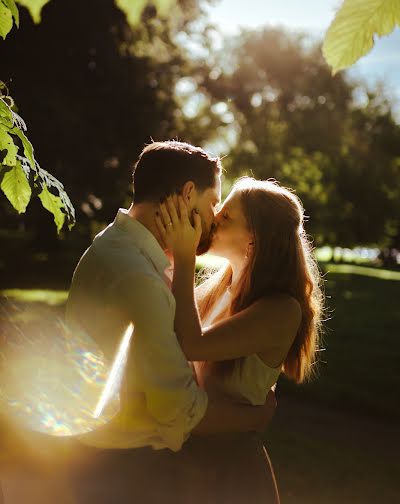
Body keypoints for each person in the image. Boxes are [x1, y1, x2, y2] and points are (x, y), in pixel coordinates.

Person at [61, 142, 277, 503]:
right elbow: (179, 412)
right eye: (212, 204)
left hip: (103, 462)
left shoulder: (112, 245)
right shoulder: (138, 278)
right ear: (188, 193)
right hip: (128, 473)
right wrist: (254, 418)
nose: (213, 218)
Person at [155, 176, 325, 503]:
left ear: (254, 240)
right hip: (192, 454)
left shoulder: (281, 310)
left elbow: (193, 344)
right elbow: (172, 316)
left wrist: (186, 254)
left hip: (229, 470)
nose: (214, 218)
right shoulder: (222, 286)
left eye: (227, 217)